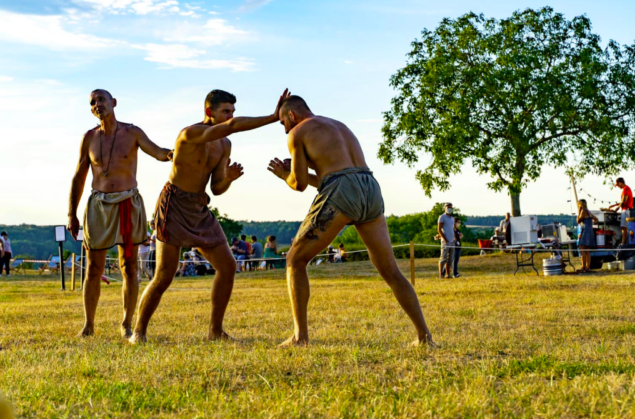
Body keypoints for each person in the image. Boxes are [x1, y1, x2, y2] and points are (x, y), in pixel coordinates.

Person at [268, 95, 433, 346]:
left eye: (282, 123)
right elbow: (330, 177)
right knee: (391, 271)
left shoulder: (298, 132)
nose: (284, 129)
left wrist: (284, 175)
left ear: (291, 115)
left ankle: (300, 337)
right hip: (369, 186)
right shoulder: (339, 125)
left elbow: (300, 184)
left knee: (294, 259)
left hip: (342, 188)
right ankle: (424, 336)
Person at [129, 88, 289, 344]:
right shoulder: (189, 134)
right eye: (225, 111)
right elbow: (234, 126)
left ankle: (215, 331)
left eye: (232, 112)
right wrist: (273, 116)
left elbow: (216, 188)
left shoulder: (224, 144)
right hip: (174, 205)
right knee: (164, 276)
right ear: (209, 112)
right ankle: (139, 331)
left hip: (200, 207)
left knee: (227, 266)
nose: (230, 116)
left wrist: (229, 179)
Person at [66, 89, 172, 338]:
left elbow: (158, 152)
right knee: (93, 268)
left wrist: (176, 153)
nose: (97, 104)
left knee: (129, 266)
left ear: (114, 103)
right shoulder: (89, 138)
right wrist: (71, 213)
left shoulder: (132, 132)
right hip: (98, 204)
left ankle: (126, 323)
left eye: (101, 99)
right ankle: (89, 325)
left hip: (128, 202)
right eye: (92, 102)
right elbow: (79, 176)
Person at [608, 177, 633, 245]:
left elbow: (623, 201)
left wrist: (617, 208)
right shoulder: (627, 189)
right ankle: (624, 242)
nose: (618, 186)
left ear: (620, 183)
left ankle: (623, 243)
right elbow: (622, 201)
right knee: (624, 227)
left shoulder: (625, 189)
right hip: (625, 210)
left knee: (624, 227)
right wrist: (614, 205)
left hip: (625, 210)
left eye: (618, 184)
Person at [577, 199, 598, 272]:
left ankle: (583, 266)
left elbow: (578, 221)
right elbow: (596, 219)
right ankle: (588, 267)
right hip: (590, 230)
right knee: (587, 251)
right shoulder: (589, 212)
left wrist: (579, 212)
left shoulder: (583, 211)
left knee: (582, 248)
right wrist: (591, 224)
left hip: (585, 230)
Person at [437, 203, 456, 279]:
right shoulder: (442, 217)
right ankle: (440, 274)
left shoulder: (452, 218)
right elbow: (439, 229)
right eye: (448, 207)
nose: (449, 209)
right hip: (445, 241)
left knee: (450, 259)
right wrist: (445, 239)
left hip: (452, 241)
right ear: (444, 208)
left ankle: (447, 274)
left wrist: (454, 238)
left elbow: (453, 229)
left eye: (451, 207)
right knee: (443, 258)